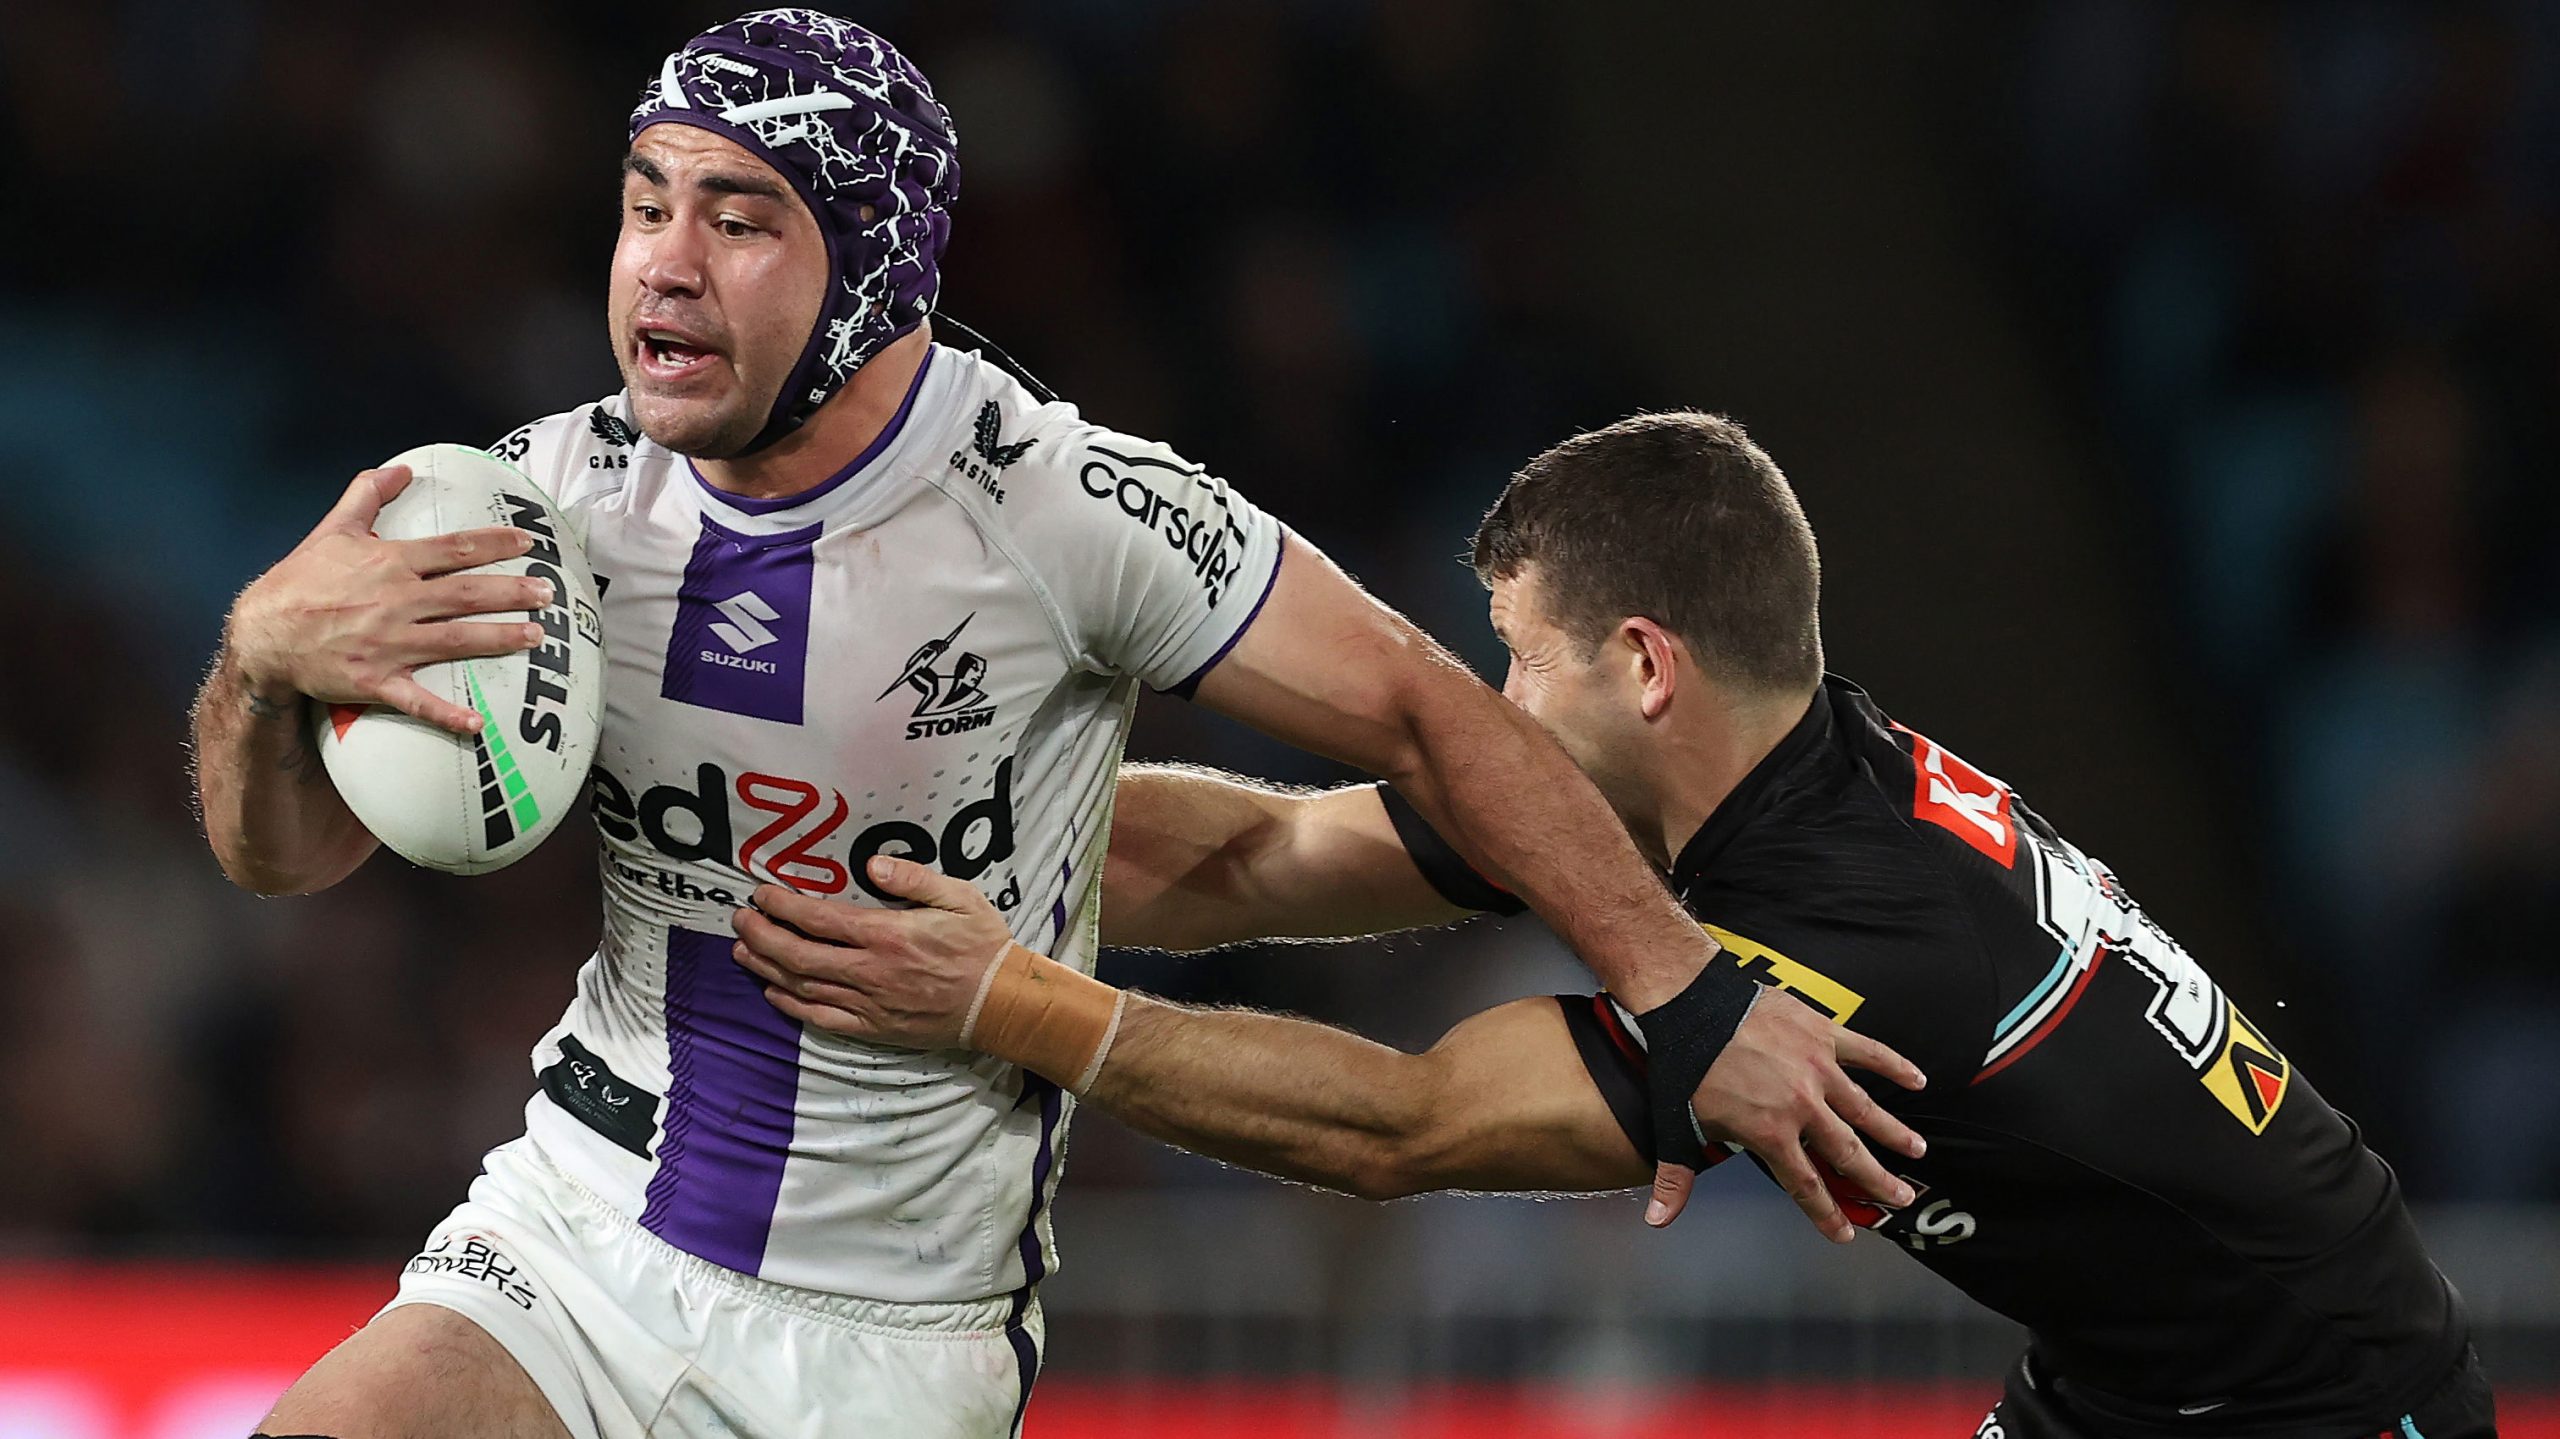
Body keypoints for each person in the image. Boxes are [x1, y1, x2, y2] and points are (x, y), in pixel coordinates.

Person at [186, 14, 1924, 1439]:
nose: (665, 267)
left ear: (865, 266)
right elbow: (283, 861)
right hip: (573, 1241)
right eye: (647, 203)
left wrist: (1681, 994)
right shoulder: (553, 501)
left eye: (739, 217)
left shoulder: (1054, 501)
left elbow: (1419, 705)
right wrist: (265, 661)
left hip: (890, 1341)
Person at [740, 411, 2499, 1438]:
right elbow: (1271, 864)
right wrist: (945, 832)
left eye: (1518, 657)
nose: (1490, 708)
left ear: (1645, 665)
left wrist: (1011, 1003)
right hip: (2135, 1384)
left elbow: (1404, 1129)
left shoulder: (1856, 929)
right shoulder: (1750, 785)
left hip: (2323, 1414)